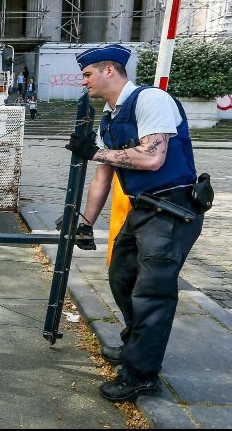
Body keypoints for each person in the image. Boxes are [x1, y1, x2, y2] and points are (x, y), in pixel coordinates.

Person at [64, 44, 204, 402]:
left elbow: (153, 157)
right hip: (144, 209)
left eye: (88, 74)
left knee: (152, 294)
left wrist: (93, 150)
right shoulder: (110, 117)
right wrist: (85, 223)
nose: (84, 81)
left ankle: (141, 375)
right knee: (122, 277)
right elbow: (103, 175)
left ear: (109, 70)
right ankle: (136, 347)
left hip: (173, 208)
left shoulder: (151, 100)